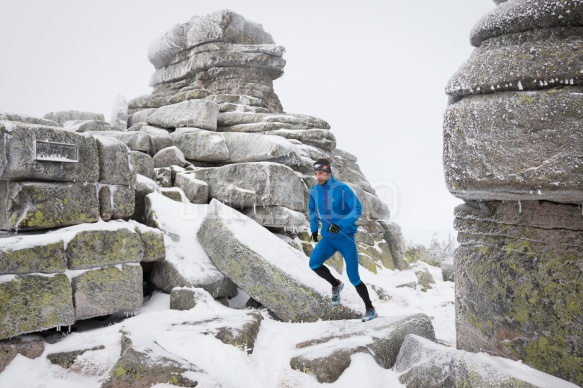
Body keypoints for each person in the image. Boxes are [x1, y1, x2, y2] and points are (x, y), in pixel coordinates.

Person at [308, 158, 377, 322]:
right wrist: (313, 229)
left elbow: (357, 208)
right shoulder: (314, 191)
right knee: (314, 263)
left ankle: (370, 308)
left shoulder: (342, 189)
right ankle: (336, 284)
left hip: (345, 238)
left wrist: (341, 224)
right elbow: (311, 210)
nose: (319, 176)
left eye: (322, 173)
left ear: (329, 173)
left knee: (353, 277)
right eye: (316, 173)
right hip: (328, 238)